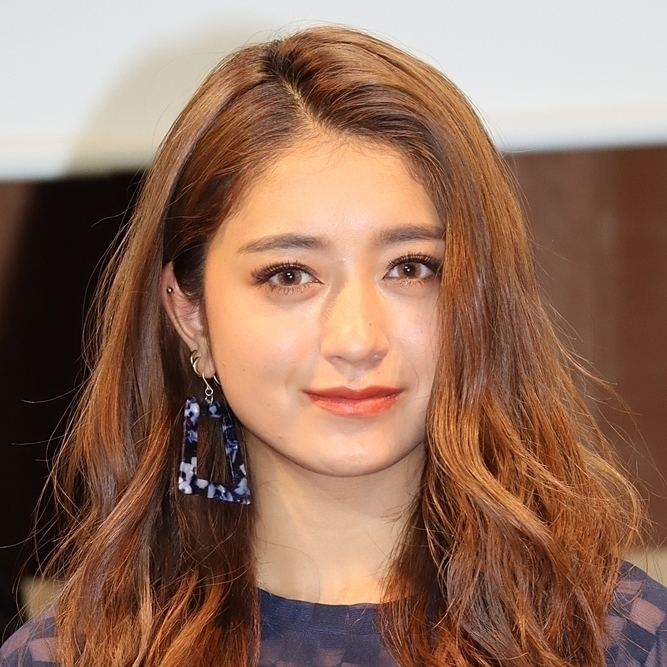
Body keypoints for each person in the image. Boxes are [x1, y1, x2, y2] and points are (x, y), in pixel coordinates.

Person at [1, 24, 665, 667]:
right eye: (289, 275)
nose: (357, 339)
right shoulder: (72, 656)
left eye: (411, 267)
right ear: (191, 315)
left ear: (480, 297)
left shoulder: (617, 641)